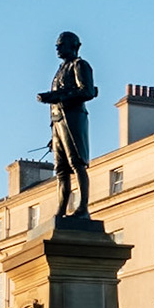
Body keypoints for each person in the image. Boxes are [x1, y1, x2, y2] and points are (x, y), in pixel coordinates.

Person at [36, 31, 98, 219]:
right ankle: (61, 209)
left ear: (73, 46)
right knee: (61, 168)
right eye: (57, 44)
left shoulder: (80, 65)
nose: (57, 47)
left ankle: (82, 208)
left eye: (61, 44)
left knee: (77, 162)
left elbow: (87, 92)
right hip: (58, 122)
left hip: (73, 119)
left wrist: (56, 96)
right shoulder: (61, 69)